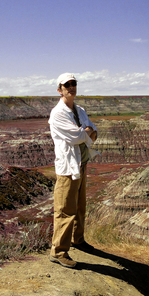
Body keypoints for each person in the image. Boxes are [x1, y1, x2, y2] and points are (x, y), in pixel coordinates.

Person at [48, 73, 98, 268]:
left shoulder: (80, 110)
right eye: (66, 84)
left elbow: (93, 130)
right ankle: (59, 251)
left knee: (79, 207)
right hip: (68, 167)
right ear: (59, 89)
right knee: (65, 209)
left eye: (73, 83)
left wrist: (86, 132)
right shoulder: (58, 113)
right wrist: (86, 132)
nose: (71, 87)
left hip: (81, 163)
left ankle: (78, 240)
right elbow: (77, 136)